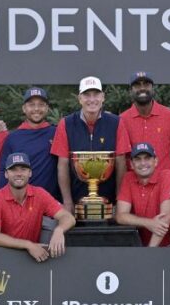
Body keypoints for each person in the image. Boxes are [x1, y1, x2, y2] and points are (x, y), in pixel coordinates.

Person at [51, 76, 131, 214]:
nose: (92, 99)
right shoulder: (66, 123)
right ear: (80, 99)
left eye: (96, 94)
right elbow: (62, 164)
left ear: (103, 97)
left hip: (109, 202)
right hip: (77, 201)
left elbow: (121, 163)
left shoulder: (116, 123)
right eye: (87, 95)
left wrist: (120, 200)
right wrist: (67, 201)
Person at [0, 153, 76, 262]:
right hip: (3, 257)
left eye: (23, 169)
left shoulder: (40, 194)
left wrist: (59, 230)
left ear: (30, 173)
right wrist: (28, 245)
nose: (19, 174)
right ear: (6, 174)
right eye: (13, 170)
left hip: (31, 259)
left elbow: (68, 217)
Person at [0, 87, 59, 199]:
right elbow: (3, 171)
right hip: (21, 203)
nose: (36, 108)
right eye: (31, 105)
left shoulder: (57, 133)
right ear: (24, 108)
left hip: (52, 202)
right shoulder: (13, 137)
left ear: (47, 108)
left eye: (41, 104)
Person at [115, 142, 170, 247]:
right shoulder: (128, 178)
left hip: (169, 248)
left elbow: (165, 219)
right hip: (139, 248)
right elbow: (120, 216)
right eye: (138, 159)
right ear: (131, 164)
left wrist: (149, 252)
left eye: (147, 158)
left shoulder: (167, 176)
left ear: (156, 161)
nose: (143, 163)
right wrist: (148, 223)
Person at [120, 71, 170, 172]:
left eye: (146, 84)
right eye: (137, 85)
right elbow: (122, 156)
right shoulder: (122, 120)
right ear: (131, 90)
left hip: (164, 181)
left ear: (153, 88)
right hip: (135, 182)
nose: (142, 88)